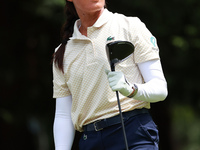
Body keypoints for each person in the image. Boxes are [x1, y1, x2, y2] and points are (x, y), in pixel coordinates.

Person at [52, 0, 168, 149]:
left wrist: (131, 89)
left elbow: (160, 89)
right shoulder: (62, 53)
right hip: (90, 141)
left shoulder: (130, 26)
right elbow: (63, 115)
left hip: (133, 132)